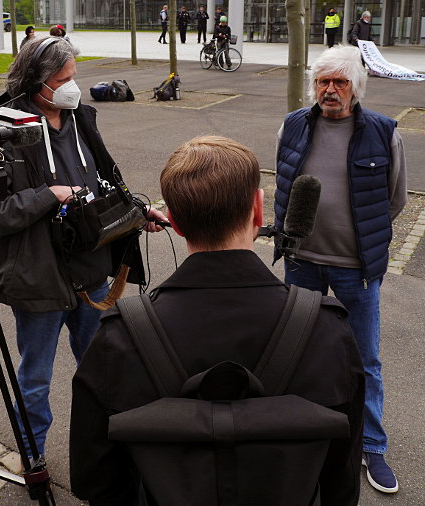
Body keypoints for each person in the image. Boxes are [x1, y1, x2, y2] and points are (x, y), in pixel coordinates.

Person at [70, 135, 365, 506]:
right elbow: (342, 481)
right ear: (258, 211)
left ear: (174, 221)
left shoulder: (119, 338)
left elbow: (92, 481)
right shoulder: (328, 331)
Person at [0, 36, 167, 457]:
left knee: (102, 372)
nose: (73, 87)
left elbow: (102, 187)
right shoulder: (4, 130)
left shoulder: (81, 119)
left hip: (92, 278)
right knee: (35, 382)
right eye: (63, 80)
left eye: (74, 77)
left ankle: (106, 456)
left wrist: (137, 214)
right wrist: (51, 194)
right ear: (37, 82)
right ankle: (32, 461)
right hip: (40, 284)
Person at [274, 44, 408, 494]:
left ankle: (371, 446)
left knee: (364, 360)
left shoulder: (384, 133)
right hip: (303, 263)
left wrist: (360, 238)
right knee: (300, 349)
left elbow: (395, 200)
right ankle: (305, 432)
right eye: (322, 81)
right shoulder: (294, 125)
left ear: (356, 87)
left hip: (356, 268)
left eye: (340, 82)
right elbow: (283, 183)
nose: (329, 90)